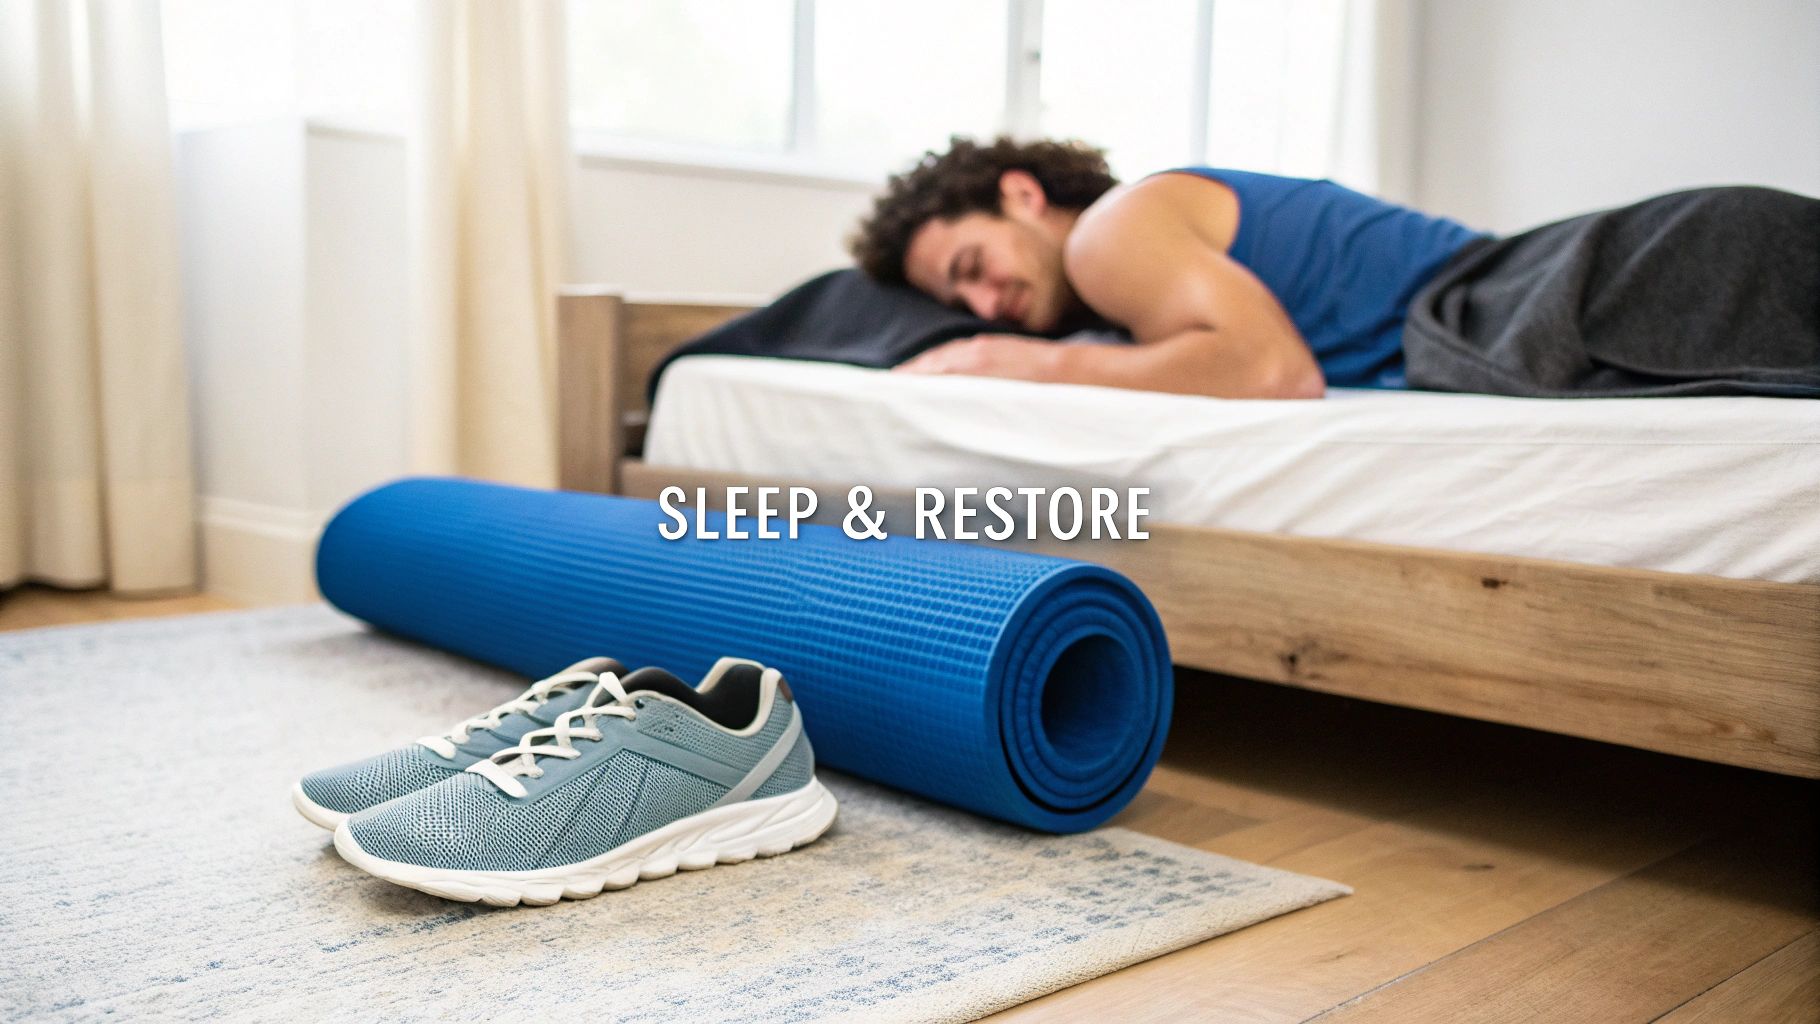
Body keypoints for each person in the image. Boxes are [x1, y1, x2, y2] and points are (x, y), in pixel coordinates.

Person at [850, 137, 1820, 399]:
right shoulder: (1144, 253)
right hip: (1586, 266)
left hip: (1576, 279)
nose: (988, 305)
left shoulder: (1113, 231)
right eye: (959, 299)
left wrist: (1020, 362)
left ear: (1021, 194)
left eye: (972, 263)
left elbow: (1271, 371)